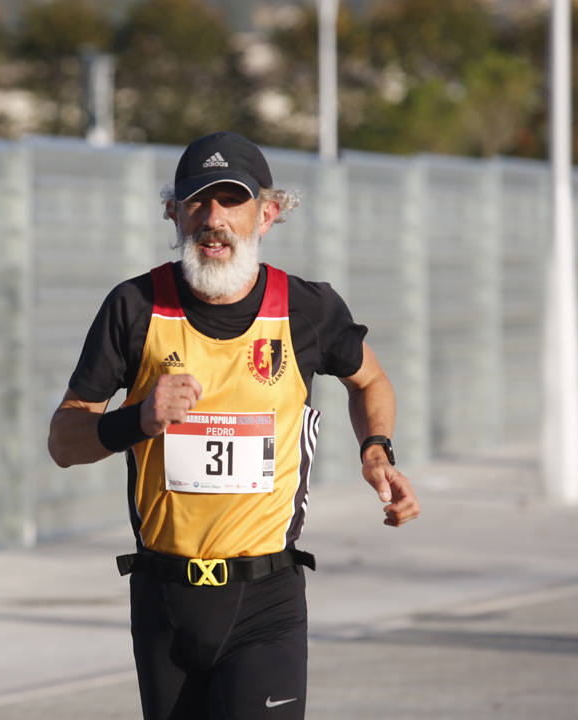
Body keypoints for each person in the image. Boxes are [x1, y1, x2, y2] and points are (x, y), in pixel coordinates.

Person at [47, 131, 420, 720]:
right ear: (174, 212)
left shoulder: (307, 310)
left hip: (265, 598)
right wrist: (137, 420)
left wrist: (376, 448)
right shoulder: (135, 307)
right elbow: (63, 440)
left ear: (267, 213)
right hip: (163, 598)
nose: (213, 218)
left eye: (232, 199)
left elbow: (370, 381)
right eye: (197, 200)